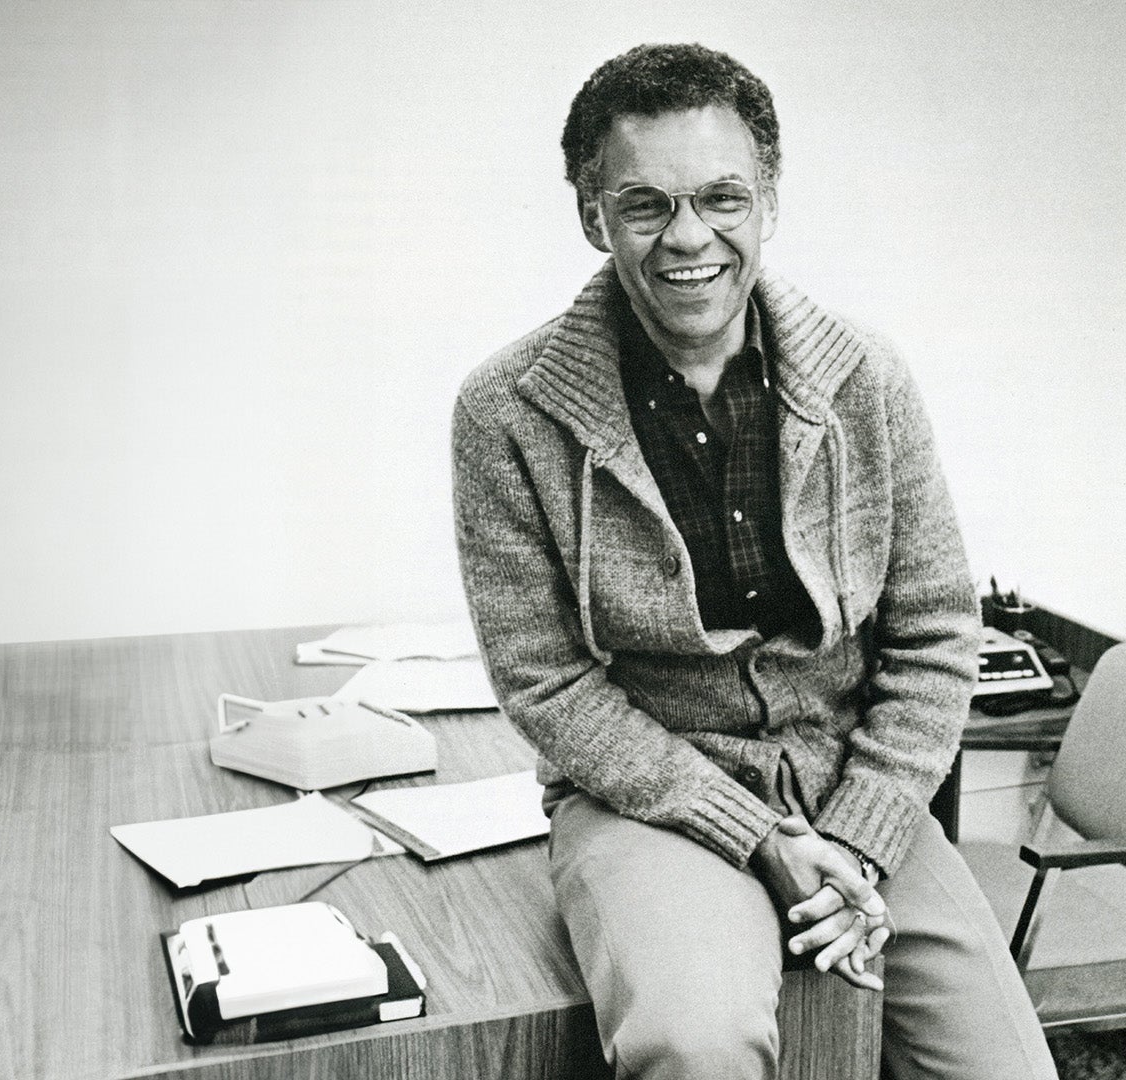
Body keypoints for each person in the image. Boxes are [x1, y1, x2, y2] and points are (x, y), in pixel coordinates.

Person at [452, 42, 1057, 1080]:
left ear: (769, 200)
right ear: (592, 215)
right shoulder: (505, 411)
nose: (689, 237)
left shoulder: (867, 378)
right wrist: (762, 839)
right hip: (649, 791)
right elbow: (545, 682)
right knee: (698, 1046)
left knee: (1003, 1071)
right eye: (645, 205)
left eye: (721, 197)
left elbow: (936, 632)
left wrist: (859, 837)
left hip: (850, 778)